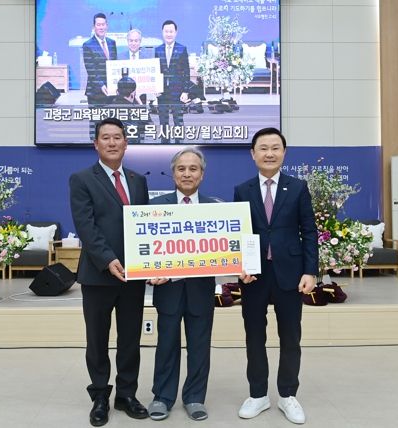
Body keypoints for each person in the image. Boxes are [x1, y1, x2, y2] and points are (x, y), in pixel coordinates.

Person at [233, 127, 318, 425]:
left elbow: (309, 231)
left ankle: (287, 395)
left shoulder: (298, 187)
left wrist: (310, 271)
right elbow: (238, 232)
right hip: (254, 276)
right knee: (254, 336)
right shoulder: (242, 189)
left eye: (275, 148)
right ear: (253, 154)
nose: (269, 153)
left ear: (284, 152)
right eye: (263, 148)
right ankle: (258, 394)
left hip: (290, 273)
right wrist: (239, 266)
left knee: (290, 336)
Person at [69, 117, 150, 426]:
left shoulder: (138, 180)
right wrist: (107, 259)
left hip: (133, 275)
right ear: (96, 144)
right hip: (98, 274)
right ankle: (100, 395)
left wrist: (151, 262)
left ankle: (127, 395)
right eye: (106, 137)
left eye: (118, 137)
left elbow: (145, 226)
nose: (112, 142)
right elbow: (86, 225)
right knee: (97, 339)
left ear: (126, 143)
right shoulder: (81, 179)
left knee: (130, 338)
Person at [147, 148, 216, 422]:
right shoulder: (155, 207)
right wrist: (149, 270)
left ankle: (195, 397)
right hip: (168, 290)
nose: (187, 174)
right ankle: (162, 397)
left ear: (202, 174)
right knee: (166, 345)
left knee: (200, 346)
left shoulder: (215, 209)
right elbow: (144, 247)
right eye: (181, 168)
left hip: (201, 290)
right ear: (173, 173)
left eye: (193, 168)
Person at [154, 20, 190, 143]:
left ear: (176, 32)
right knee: (163, 120)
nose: (168, 34)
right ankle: (165, 144)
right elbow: (156, 71)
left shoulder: (182, 49)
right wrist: (156, 88)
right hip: (162, 91)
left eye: (171, 31)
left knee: (178, 120)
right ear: (162, 32)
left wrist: (185, 91)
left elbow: (186, 71)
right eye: (166, 31)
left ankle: (179, 144)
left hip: (177, 91)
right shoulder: (158, 50)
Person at [83, 13, 117, 139]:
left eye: (103, 24)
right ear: (94, 27)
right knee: (95, 125)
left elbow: (115, 66)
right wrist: (101, 85)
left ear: (107, 26)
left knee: (109, 124)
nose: (101, 27)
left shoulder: (112, 43)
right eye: (98, 25)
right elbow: (90, 69)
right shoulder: (87, 45)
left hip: (111, 91)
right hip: (95, 92)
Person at [112, 77, 151, 143]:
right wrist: (140, 104)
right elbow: (150, 126)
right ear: (133, 93)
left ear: (118, 91)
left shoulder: (109, 107)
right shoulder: (137, 110)